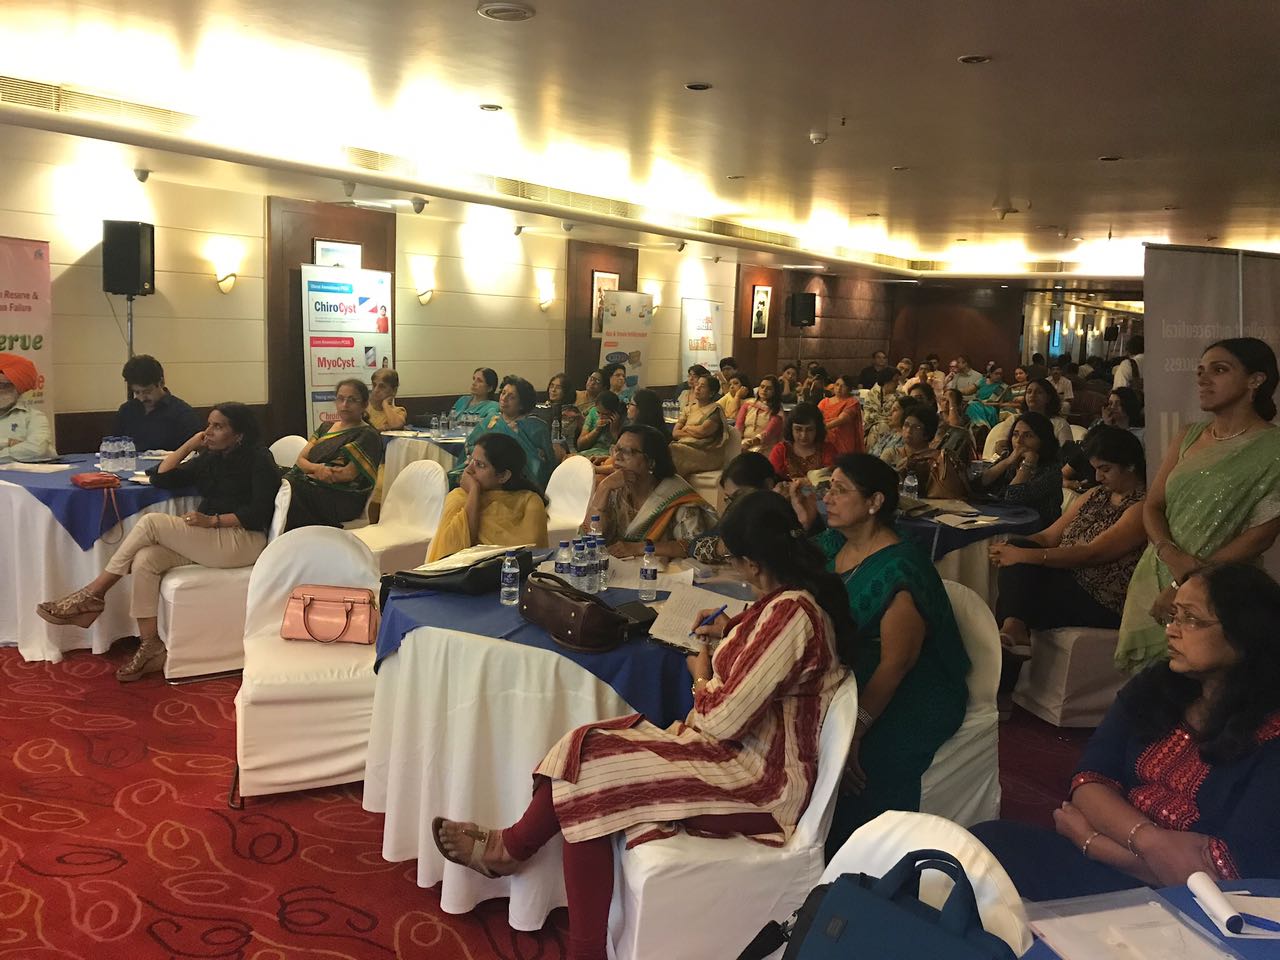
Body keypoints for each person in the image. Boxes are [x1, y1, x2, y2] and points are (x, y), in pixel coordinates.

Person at [432, 491, 852, 960]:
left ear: (752, 564)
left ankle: (522, 867)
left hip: (760, 782)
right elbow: (762, 665)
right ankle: (513, 855)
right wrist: (730, 630)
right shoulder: (783, 604)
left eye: (732, 560)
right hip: (735, 755)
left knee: (587, 773)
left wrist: (700, 675)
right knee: (586, 746)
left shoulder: (792, 615)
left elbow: (723, 720)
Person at [971, 564, 1280, 901]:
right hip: (1124, 854)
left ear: (1246, 633)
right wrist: (1149, 839)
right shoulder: (1157, 687)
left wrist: (1093, 842)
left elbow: (1227, 877)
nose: (1172, 631)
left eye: (1191, 619)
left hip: (1196, 904)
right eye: (1173, 616)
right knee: (983, 846)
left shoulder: (1271, 736)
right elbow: (1089, 782)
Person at [788, 454, 970, 854]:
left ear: (874, 502)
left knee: (854, 757)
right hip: (850, 671)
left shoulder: (901, 570)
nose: (828, 498)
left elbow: (897, 664)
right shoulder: (837, 542)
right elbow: (791, 569)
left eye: (840, 490)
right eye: (828, 488)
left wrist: (856, 728)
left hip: (912, 690)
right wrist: (805, 523)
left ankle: (860, 857)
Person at [37, 403, 280, 681]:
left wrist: (213, 521)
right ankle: (150, 644)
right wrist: (190, 445)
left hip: (243, 540)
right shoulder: (212, 457)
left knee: (151, 523)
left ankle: (94, 593)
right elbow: (161, 477)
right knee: (146, 559)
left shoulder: (259, 459)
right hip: (214, 540)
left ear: (239, 434)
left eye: (218, 426)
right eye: (208, 425)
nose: (208, 432)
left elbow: (260, 511)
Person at [1117, 337, 1280, 671]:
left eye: (1219, 370)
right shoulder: (1189, 435)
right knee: (1147, 687)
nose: (1203, 379)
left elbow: (1260, 536)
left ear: (1256, 379)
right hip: (1156, 572)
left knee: (1202, 686)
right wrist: (1170, 555)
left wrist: (1187, 581)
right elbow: (1153, 506)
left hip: (1220, 591)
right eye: (1201, 371)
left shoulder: (1273, 447)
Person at [989, 427, 1148, 712]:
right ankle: (1014, 633)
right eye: (1096, 469)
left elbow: (1091, 554)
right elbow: (1048, 537)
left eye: (1106, 469)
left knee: (1019, 590)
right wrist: (1014, 548)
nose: (1098, 477)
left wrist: (1024, 556)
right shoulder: (1096, 495)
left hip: (1100, 597)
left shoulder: (1140, 508)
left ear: (1131, 466)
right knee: (1018, 558)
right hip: (1067, 578)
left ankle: (1007, 657)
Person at [583, 424, 717, 559]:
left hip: (662, 568)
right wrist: (603, 488)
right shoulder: (615, 487)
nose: (617, 457)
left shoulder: (675, 495)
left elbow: (694, 545)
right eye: (616, 449)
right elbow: (592, 535)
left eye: (628, 452)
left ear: (651, 462)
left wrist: (638, 548)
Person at [425, 433, 549, 563]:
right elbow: (449, 555)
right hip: (461, 574)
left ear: (503, 476)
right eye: (471, 460)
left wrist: (473, 491)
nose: (469, 470)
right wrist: (474, 492)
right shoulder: (459, 497)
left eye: (480, 465)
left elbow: (531, 555)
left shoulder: (529, 502)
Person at [284, 378, 384, 529]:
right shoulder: (325, 427)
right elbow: (301, 460)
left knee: (290, 486)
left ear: (364, 405)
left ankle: (293, 536)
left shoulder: (368, 435)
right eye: (340, 399)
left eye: (352, 400)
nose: (345, 405)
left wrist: (312, 473)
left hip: (342, 497)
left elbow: (347, 474)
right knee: (274, 477)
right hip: (312, 485)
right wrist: (318, 469)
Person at [459, 376, 557, 490]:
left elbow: (546, 462)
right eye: (503, 393)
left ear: (522, 404)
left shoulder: (536, 427)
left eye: (511, 397)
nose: (504, 398)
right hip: (484, 476)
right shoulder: (491, 421)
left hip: (523, 483)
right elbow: (471, 445)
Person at [689, 452, 783, 564]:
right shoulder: (736, 508)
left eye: (740, 494)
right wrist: (722, 547)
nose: (735, 503)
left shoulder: (791, 509)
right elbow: (694, 546)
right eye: (730, 498)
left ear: (768, 485)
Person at [976, 411, 1063, 528]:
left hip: (1036, 530)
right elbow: (980, 484)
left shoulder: (1051, 470)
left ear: (1043, 440)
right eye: (1015, 434)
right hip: (1002, 522)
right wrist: (1007, 461)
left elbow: (1012, 499)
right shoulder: (1009, 458)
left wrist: (1028, 463)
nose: (1019, 441)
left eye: (1028, 436)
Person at [112, 354, 202, 452]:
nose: (142, 398)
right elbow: (114, 446)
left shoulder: (182, 414)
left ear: (161, 382)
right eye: (137, 392)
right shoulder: (126, 411)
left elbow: (194, 452)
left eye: (147, 391)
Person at [984, 377, 1074, 455]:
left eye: (1039, 392)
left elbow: (1067, 452)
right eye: (1029, 392)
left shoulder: (1059, 424)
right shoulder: (1014, 419)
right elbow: (1000, 445)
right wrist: (1014, 458)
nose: (1032, 395)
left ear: (1048, 398)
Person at [670, 373, 728, 476]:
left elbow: (703, 432)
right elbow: (675, 433)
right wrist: (694, 432)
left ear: (711, 393)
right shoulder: (688, 408)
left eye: (703, 386)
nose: (697, 388)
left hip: (707, 452)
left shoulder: (715, 409)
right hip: (686, 447)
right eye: (697, 384)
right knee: (668, 449)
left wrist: (687, 428)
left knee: (673, 451)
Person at [0, 352, 54, 462]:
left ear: (17, 388)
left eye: (3, 386)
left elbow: (37, 450)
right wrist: (8, 442)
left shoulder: (34, 417)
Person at [769, 402, 837, 481]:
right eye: (798, 429)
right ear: (791, 429)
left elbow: (832, 478)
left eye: (809, 430)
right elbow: (772, 480)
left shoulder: (827, 449)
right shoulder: (780, 450)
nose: (803, 435)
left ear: (817, 429)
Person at [737, 374, 784, 456]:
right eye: (762, 387)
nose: (764, 390)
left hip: (764, 446)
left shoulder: (777, 411)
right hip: (743, 442)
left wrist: (748, 444)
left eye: (769, 388)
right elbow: (738, 426)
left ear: (775, 392)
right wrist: (738, 442)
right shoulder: (748, 404)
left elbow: (767, 434)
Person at [819, 374, 865, 456]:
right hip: (824, 437)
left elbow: (842, 419)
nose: (839, 388)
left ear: (849, 388)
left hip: (843, 439)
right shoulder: (824, 402)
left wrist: (822, 428)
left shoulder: (852, 402)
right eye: (837, 385)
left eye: (843, 386)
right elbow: (815, 416)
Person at [576, 390, 624, 459]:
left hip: (608, 457)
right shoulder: (593, 413)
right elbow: (580, 445)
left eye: (605, 414)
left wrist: (614, 432)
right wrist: (596, 430)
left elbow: (623, 450)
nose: (601, 417)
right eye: (598, 412)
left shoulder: (622, 419)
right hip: (589, 454)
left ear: (615, 413)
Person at [861, 368, 901, 450]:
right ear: (886, 380)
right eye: (895, 381)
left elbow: (897, 419)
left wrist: (881, 420)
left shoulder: (900, 398)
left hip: (892, 429)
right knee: (878, 428)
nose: (898, 384)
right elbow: (868, 416)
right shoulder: (872, 394)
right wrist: (884, 419)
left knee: (882, 427)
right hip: (870, 427)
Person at [868, 396, 914, 461]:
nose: (889, 413)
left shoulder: (907, 441)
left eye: (895, 410)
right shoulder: (888, 435)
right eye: (891, 410)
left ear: (906, 413)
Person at [936, 388, 976, 462]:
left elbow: (955, 426)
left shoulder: (964, 418)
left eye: (949, 401)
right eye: (944, 400)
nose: (946, 403)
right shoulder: (936, 417)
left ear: (957, 405)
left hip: (957, 453)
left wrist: (952, 401)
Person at [367, 367, 407, 431]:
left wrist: (385, 404)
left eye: (382, 386)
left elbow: (396, 425)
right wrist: (381, 429)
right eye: (374, 385)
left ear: (394, 390)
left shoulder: (398, 411)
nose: (376, 390)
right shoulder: (363, 408)